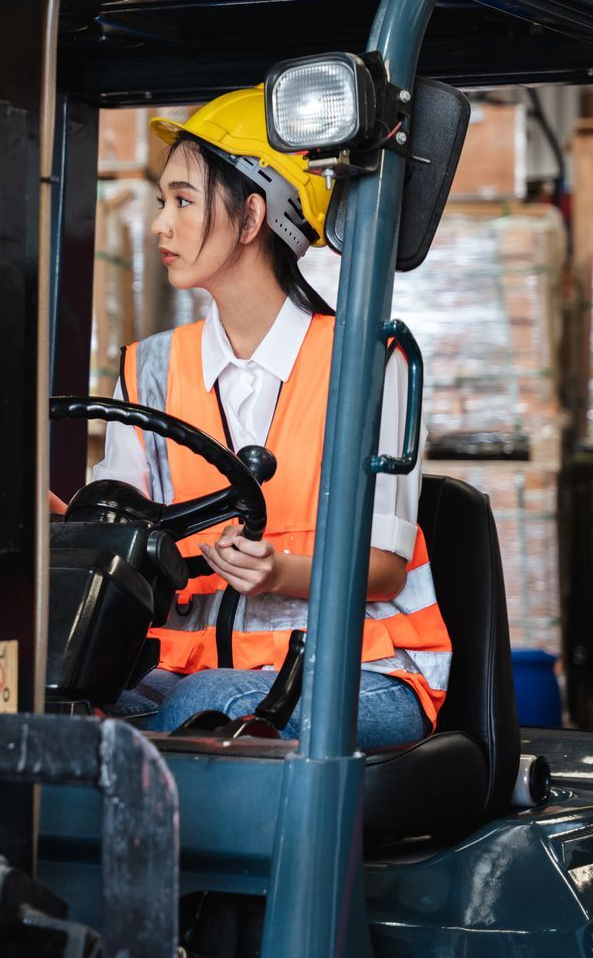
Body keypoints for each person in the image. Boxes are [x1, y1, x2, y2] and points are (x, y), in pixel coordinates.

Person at [73, 88, 451, 749]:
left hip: (361, 671)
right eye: (165, 203)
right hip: (193, 670)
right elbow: (121, 531)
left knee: (203, 707)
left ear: (251, 216)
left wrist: (280, 573)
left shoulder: (366, 360)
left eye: (183, 202)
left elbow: (386, 567)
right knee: (53, 701)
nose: (163, 224)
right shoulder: (148, 369)